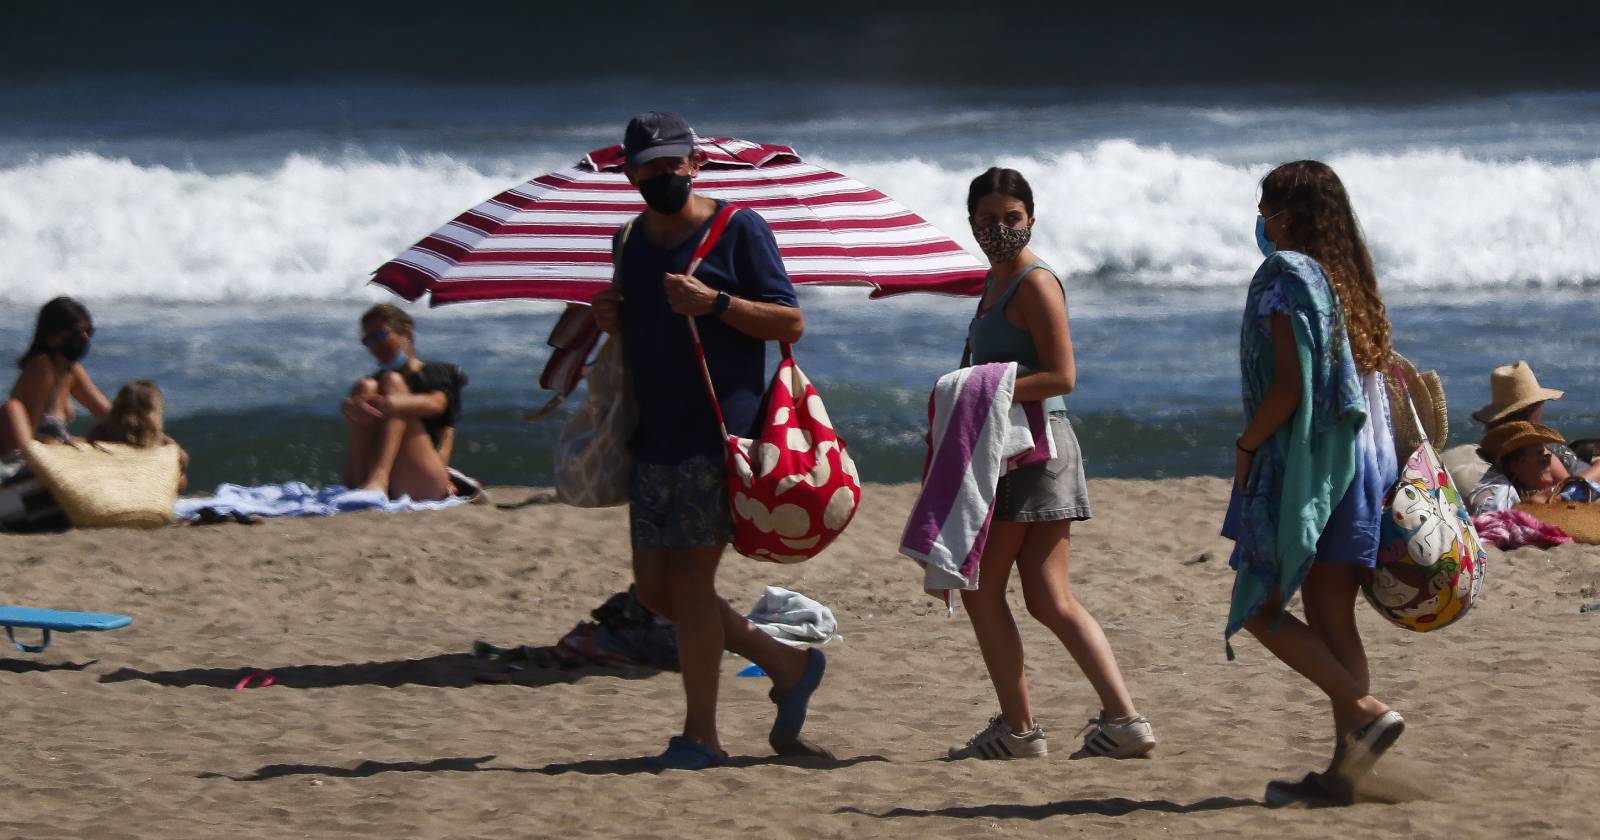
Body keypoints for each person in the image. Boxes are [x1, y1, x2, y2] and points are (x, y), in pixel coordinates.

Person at [589, 111, 827, 770]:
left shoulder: (739, 227)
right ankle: (787, 663)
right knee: (658, 592)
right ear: (630, 172)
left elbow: (791, 320)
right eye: (650, 166)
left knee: (692, 583)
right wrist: (609, 317)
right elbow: (639, 333)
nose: (664, 175)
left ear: (695, 164)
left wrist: (716, 303)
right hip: (653, 435)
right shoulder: (629, 240)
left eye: (674, 163)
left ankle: (701, 736)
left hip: (722, 433)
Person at [944, 167, 1155, 762]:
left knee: (985, 589)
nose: (1001, 229)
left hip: (1033, 448)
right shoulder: (993, 282)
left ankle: (1018, 729)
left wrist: (979, 391)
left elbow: (1063, 376)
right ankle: (1124, 719)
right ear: (972, 223)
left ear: (1031, 219)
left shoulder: (1034, 283)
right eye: (988, 220)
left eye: (1012, 218)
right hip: (1020, 448)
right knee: (1046, 595)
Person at [1226, 160, 1405, 805]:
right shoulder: (1350, 282)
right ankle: (1344, 776)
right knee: (1334, 621)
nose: (1259, 220)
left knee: (1258, 606)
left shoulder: (1287, 280)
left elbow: (1290, 386)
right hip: (1365, 470)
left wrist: (1247, 445)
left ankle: (1364, 711)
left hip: (1313, 471)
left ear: (1288, 216)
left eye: (1265, 206)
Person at [339, 304, 466, 502]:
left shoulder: (438, 372)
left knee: (392, 381)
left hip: (426, 479)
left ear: (406, 332)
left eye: (381, 336)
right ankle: (363, 483)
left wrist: (390, 403)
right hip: (382, 481)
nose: (375, 346)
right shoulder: (374, 383)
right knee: (364, 387)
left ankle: (379, 478)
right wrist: (349, 406)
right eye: (368, 340)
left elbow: (436, 404)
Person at [1467, 362, 1591, 515]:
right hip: (1580, 473)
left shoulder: (1497, 445)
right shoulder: (1534, 447)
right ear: (1532, 411)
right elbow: (1575, 488)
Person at [2, 296, 111, 456]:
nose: (85, 339)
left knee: (109, 432)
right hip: (30, 458)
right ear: (51, 334)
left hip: (55, 450)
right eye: (76, 333)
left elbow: (107, 414)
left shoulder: (71, 370)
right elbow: (31, 438)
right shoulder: (41, 367)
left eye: (88, 331)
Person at [88, 379, 190, 492]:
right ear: (155, 412)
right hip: (148, 497)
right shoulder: (161, 441)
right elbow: (181, 482)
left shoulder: (102, 432)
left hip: (112, 495)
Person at [1475, 421, 1600, 511]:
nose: (1548, 456)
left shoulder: (1550, 490)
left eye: (1546, 452)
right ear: (1516, 465)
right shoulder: (1532, 501)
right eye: (1539, 454)